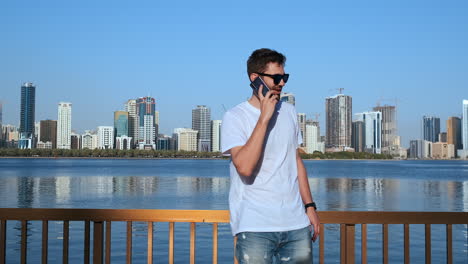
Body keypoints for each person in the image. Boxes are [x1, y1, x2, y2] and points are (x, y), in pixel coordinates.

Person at [221, 48, 320, 264]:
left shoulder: (289, 112)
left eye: (284, 77)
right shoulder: (235, 117)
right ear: (255, 78)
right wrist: (264, 118)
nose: (282, 83)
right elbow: (245, 168)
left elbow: (296, 162)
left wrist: (310, 207)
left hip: (296, 225)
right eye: (276, 78)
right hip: (255, 226)